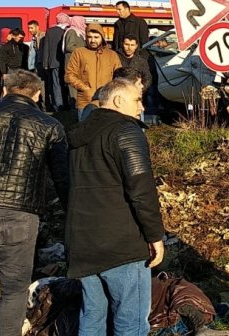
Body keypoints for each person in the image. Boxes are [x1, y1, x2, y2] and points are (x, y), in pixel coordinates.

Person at [66, 78, 165, 334]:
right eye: (137, 100)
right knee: (130, 322)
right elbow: (141, 189)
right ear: (119, 100)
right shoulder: (126, 131)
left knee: (92, 317)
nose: (141, 107)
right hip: (121, 244)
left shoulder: (79, 135)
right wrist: (155, 236)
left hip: (82, 241)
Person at [0, 69, 69, 335]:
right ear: (38, 93)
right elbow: (63, 178)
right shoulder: (50, 125)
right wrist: (72, 216)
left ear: (5, 90)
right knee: (14, 290)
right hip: (22, 214)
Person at [64, 23, 121, 119]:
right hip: (85, 101)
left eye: (96, 37)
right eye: (89, 37)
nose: (92, 40)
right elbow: (69, 75)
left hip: (107, 102)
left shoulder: (112, 55)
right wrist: (84, 87)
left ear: (102, 37)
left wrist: (111, 91)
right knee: (85, 131)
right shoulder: (79, 52)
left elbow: (119, 76)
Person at [40, 13, 70, 111]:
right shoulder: (67, 31)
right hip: (66, 62)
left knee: (56, 84)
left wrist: (45, 63)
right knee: (65, 84)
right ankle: (67, 105)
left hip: (53, 62)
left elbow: (46, 47)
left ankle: (58, 106)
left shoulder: (50, 31)